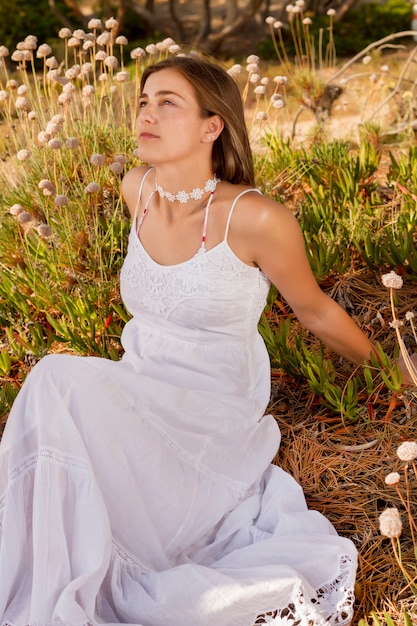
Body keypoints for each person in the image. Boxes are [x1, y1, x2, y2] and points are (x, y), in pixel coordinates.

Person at [0, 54, 412, 626]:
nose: (146, 113)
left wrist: (394, 372)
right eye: (144, 100)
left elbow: (314, 310)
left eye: (168, 103)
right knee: (56, 392)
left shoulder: (256, 218)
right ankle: (36, 578)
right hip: (141, 390)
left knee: (54, 378)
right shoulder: (136, 189)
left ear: (212, 126)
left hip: (213, 415)